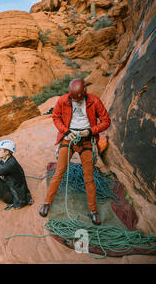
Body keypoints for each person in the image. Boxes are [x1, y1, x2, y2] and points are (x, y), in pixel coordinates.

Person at [39, 78, 111, 225]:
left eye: (79, 99)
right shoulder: (63, 100)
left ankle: (93, 210)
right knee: (60, 171)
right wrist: (66, 132)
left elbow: (106, 121)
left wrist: (90, 131)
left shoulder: (94, 101)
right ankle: (47, 202)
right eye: (74, 99)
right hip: (69, 138)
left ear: (85, 92)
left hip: (86, 139)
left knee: (88, 177)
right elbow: (56, 117)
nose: (77, 102)